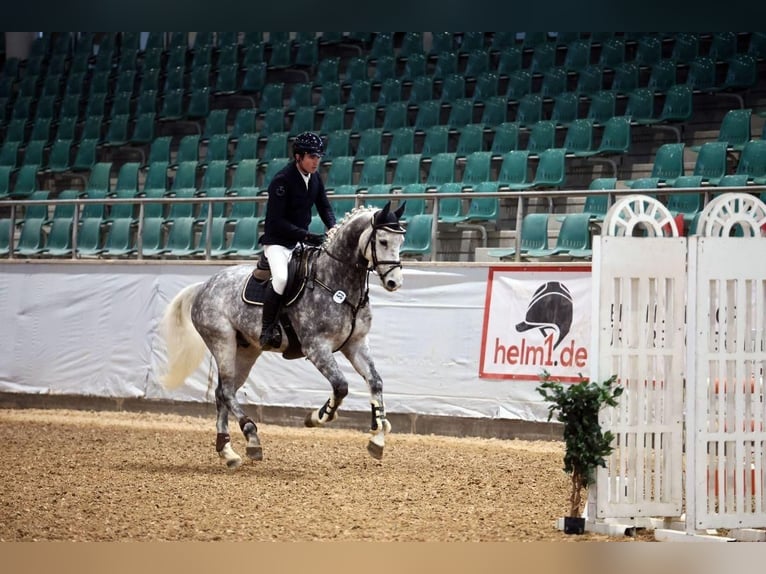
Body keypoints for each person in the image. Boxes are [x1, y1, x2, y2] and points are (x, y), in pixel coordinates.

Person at [257, 131, 336, 350]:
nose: (316, 161)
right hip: (278, 242)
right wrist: (307, 236)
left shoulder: (314, 178)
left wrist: (333, 228)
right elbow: (276, 221)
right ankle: (267, 329)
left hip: (300, 240)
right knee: (281, 278)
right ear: (298, 157)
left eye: (318, 157)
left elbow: (324, 207)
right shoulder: (282, 181)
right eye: (311, 157)